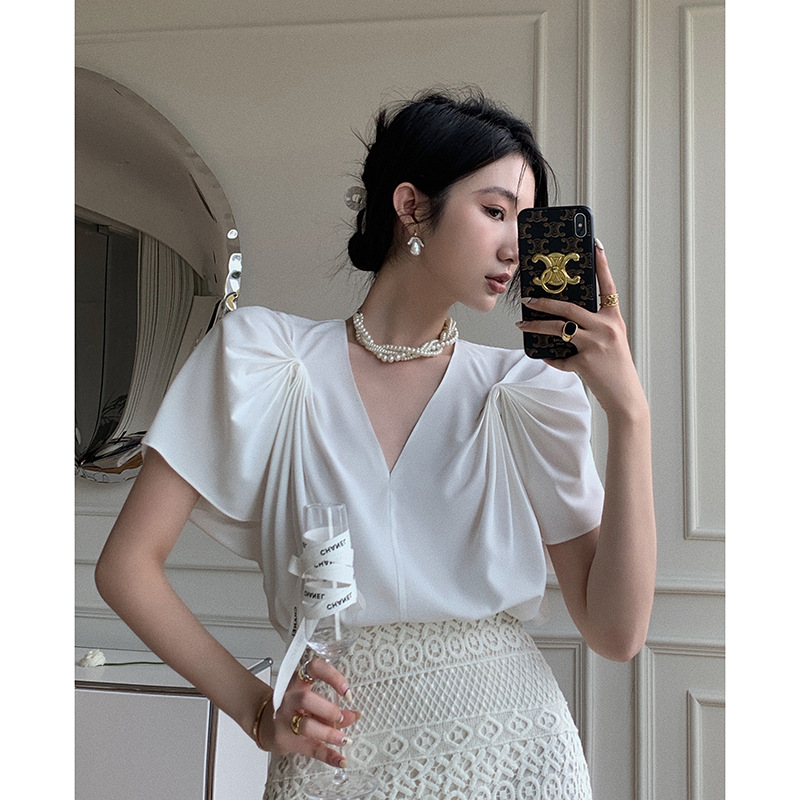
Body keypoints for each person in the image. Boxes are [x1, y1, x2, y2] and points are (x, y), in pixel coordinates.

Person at [95, 88, 656, 800]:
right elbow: (126, 567)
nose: (516, 246)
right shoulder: (265, 360)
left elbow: (616, 633)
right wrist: (256, 710)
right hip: (335, 758)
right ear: (411, 206)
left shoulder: (521, 394)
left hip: (514, 753)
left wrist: (629, 413)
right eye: (495, 211)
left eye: (526, 220)